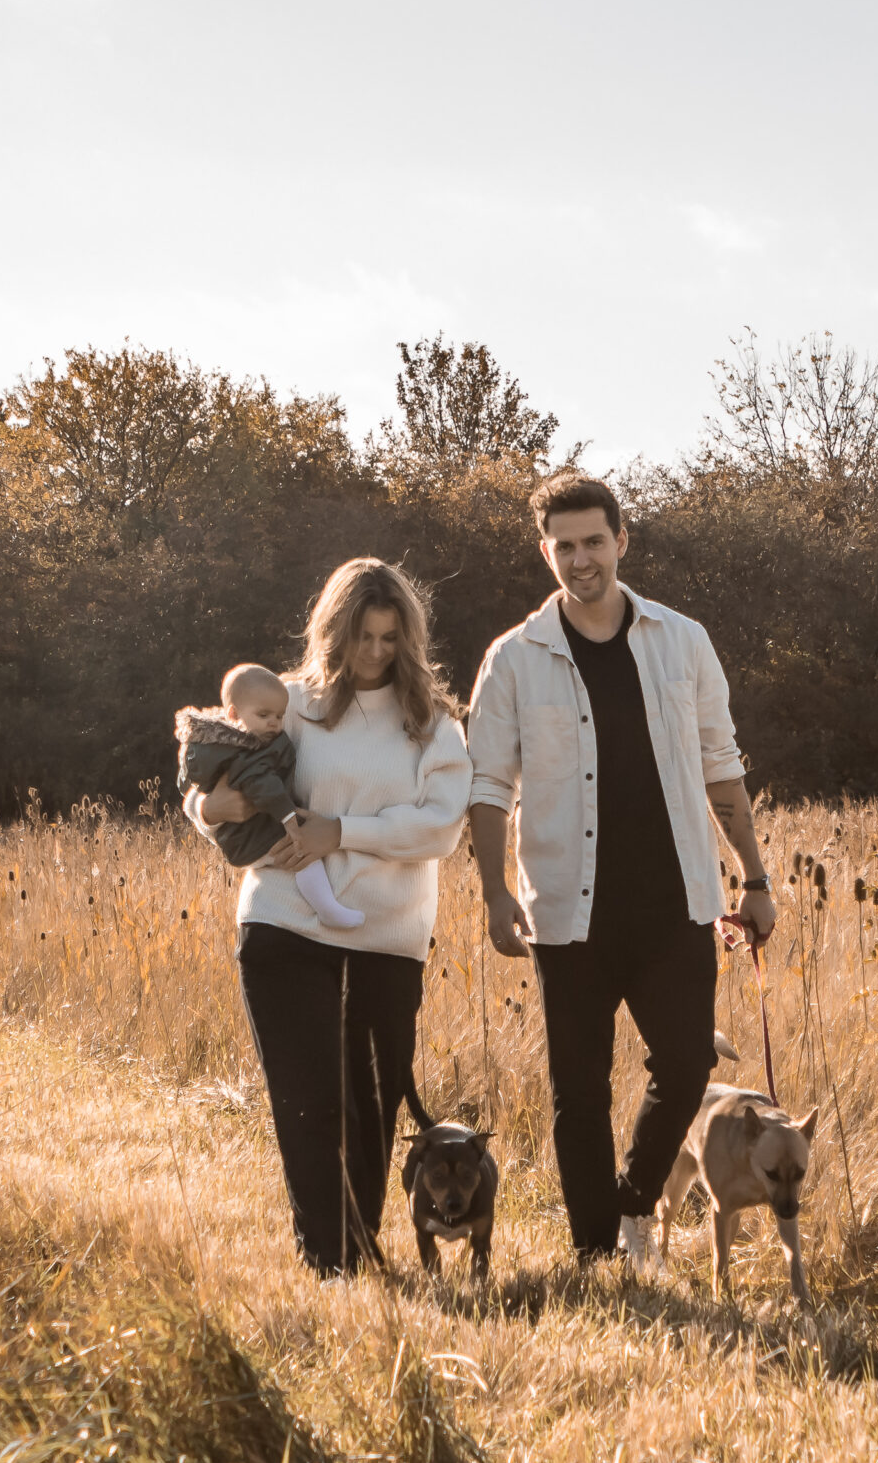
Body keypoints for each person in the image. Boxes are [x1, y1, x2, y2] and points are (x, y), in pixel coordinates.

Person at [466, 469, 774, 1271]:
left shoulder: (681, 640)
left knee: (685, 1063)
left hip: (675, 900)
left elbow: (720, 763)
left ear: (620, 541)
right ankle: (595, 1252)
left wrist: (755, 877)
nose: (579, 559)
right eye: (562, 546)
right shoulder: (513, 659)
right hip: (566, 909)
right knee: (579, 1090)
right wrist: (494, 891)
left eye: (592, 542)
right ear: (545, 551)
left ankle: (634, 1201)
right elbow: (487, 785)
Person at [185, 559, 472, 1277]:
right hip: (283, 926)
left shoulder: (433, 726)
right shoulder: (287, 702)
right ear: (332, 633)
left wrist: (339, 831)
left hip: (387, 936)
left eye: (387, 637)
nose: (373, 652)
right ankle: (329, 1263)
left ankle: (358, 1246)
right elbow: (211, 772)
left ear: (408, 638)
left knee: (372, 1110)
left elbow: (439, 828)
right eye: (361, 636)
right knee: (309, 1106)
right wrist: (205, 810)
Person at [174, 661, 364, 932]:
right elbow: (258, 786)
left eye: (279, 716)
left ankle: (328, 908)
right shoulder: (249, 749)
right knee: (305, 857)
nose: (274, 723)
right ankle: (328, 909)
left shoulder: (229, 741)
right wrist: (288, 818)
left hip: (247, 838)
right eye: (264, 716)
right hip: (258, 841)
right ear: (233, 714)